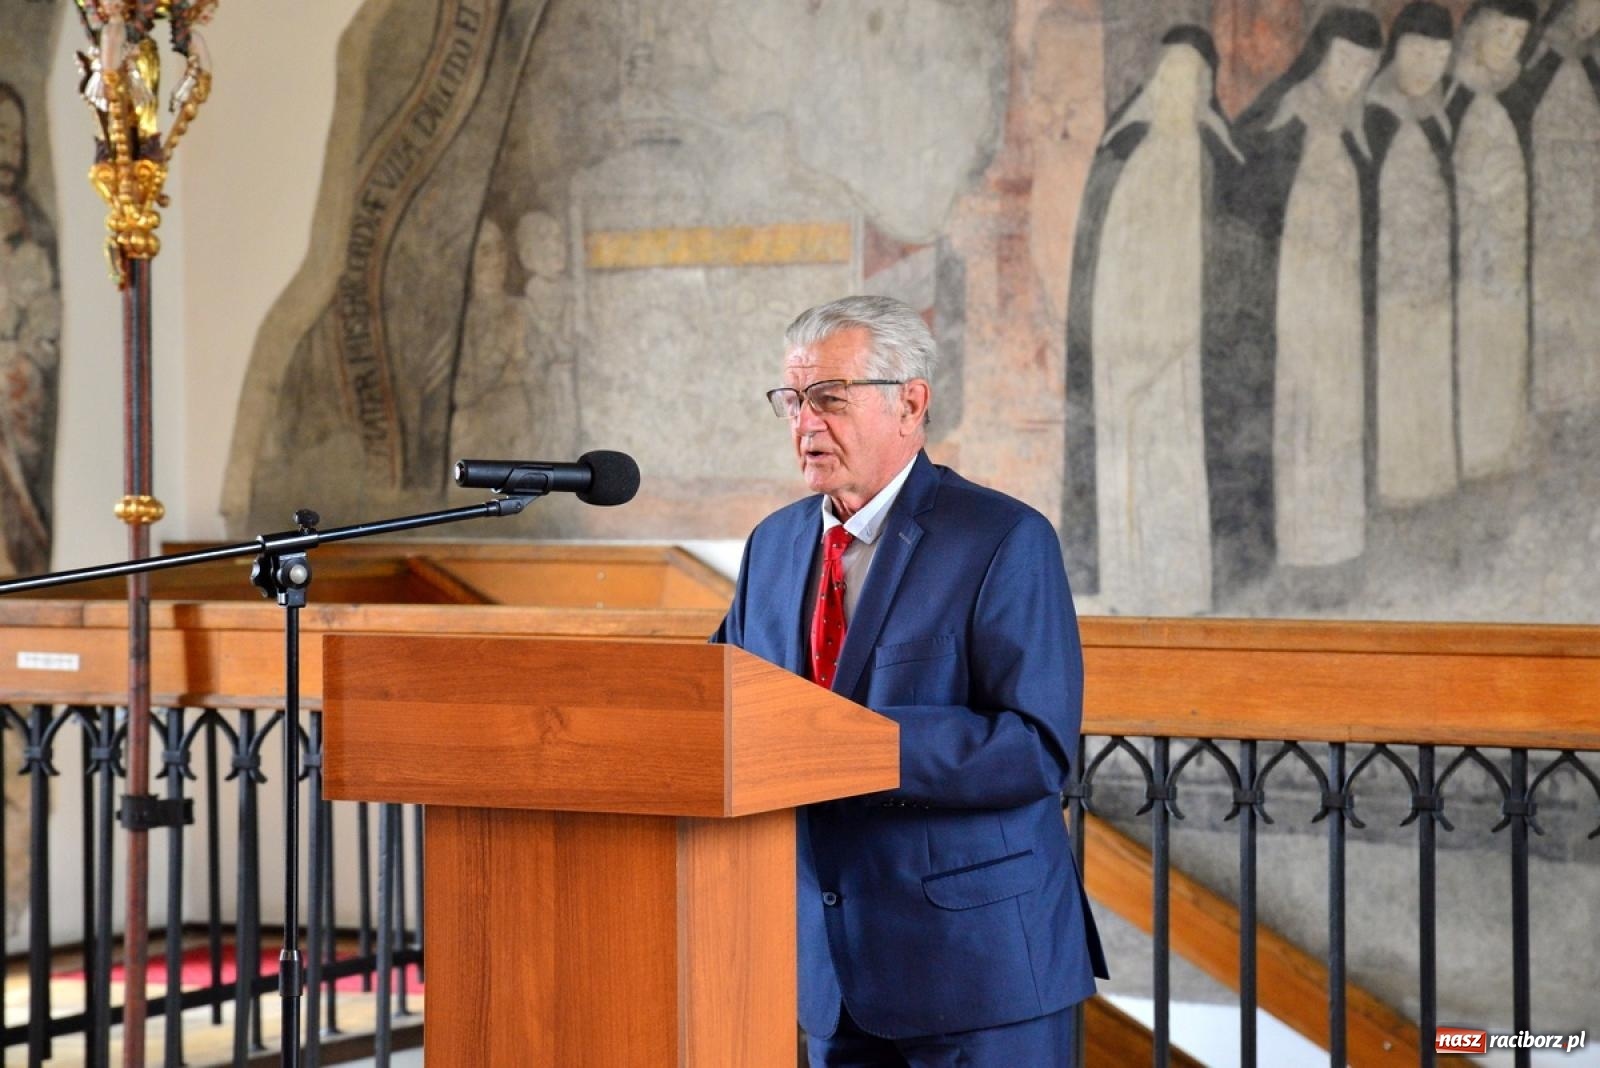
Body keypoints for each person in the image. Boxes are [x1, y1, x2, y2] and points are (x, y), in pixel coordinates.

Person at [713, 295, 1105, 1066]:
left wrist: (848, 748)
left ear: (910, 404)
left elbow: (1036, 749)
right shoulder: (775, 545)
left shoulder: (1002, 538)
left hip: (980, 971)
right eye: (791, 401)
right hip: (832, 974)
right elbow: (722, 704)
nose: (805, 422)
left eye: (828, 398)